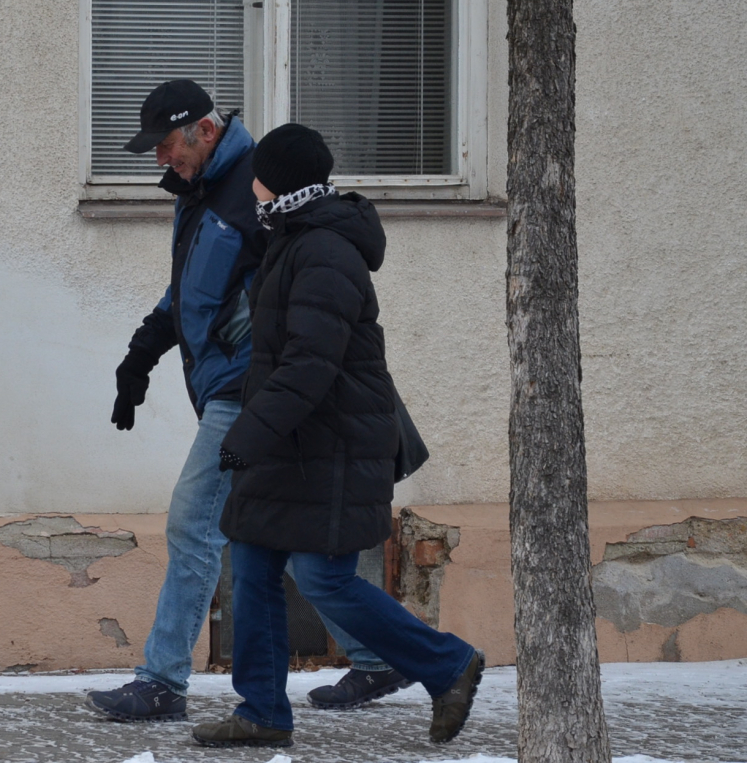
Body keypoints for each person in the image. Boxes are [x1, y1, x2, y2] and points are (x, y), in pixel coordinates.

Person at [87, 84, 404, 724]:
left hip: (248, 391)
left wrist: (257, 374)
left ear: (205, 131)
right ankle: (378, 658)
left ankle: (162, 681)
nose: (160, 160)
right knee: (296, 543)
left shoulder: (261, 190)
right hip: (236, 388)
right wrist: (140, 354)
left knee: (194, 524)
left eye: (166, 145)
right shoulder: (204, 191)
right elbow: (190, 292)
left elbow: (291, 290)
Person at [190, 123, 483, 748]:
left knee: (324, 579)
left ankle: (448, 664)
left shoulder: (325, 249)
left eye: (258, 175)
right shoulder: (291, 235)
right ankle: (262, 712)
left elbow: (310, 363)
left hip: (333, 446)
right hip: (293, 444)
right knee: (253, 565)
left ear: (278, 181)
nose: (251, 185)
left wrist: (249, 433)